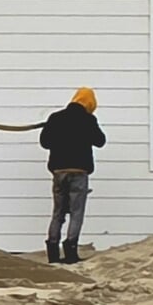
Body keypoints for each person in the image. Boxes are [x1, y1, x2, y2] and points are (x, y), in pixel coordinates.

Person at [40, 87, 106, 264]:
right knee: (76, 212)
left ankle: (53, 250)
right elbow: (100, 141)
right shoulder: (88, 120)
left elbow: (45, 142)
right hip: (79, 171)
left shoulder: (56, 118)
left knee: (58, 212)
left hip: (59, 171)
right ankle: (70, 250)